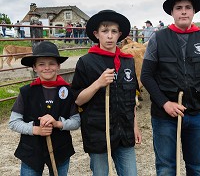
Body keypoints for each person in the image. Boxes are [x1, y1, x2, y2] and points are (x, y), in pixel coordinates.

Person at [141, 0, 200, 175]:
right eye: (178, 7)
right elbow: (146, 76)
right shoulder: (157, 39)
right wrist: (165, 103)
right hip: (164, 116)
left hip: (197, 115)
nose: (183, 11)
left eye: (188, 7)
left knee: (197, 168)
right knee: (166, 168)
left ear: (193, 12)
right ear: (172, 12)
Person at [71, 10, 142, 175]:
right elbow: (78, 100)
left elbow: (131, 98)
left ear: (120, 34)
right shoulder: (86, 62)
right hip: (98, 132)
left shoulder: (127, 61)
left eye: (114, 31)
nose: (109, 36)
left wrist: (135, 126)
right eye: (105, 31)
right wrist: (98, 83)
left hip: (124, 130)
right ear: (96, 34)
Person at [8, 41, 80, 175]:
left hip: (60, 149)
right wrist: (36, 129)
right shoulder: (26, 92)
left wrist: (58, 123)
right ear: (34, 67)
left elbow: (76, 121)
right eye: (41, 64)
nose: (47, 68)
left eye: (52, 63)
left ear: (58, 66)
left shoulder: (68, 92)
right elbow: (13, 123)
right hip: (31, 150)